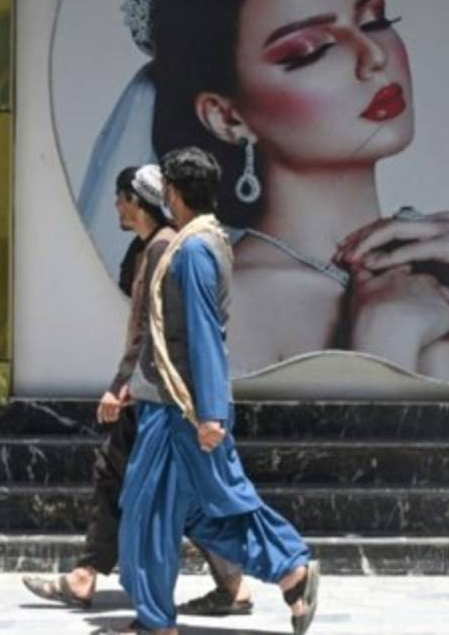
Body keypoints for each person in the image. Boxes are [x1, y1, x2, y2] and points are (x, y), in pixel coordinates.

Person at [85, 0, 449, 381]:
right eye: (310, 50)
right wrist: (384, 339)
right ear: (227, 118)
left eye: (375, 20)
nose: (373, 56)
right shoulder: (223, 302)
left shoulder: (448, 266)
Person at [23, 166, 252, 616]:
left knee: (131, 480)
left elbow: (155, 330)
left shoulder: (167, 248)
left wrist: (121, 386)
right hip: (155, 389)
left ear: (136, 199)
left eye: (120, 197)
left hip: (159, 393)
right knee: (159, 487)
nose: (115, 206)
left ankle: (268, 573)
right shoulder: (149, 247)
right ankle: (230, 583)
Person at [115, 147, 319, 635]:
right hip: (176, 402)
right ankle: (290, 572)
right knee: (186, 510)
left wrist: (209, 413)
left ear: (172, 192)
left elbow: (204, 332)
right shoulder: (205, 240)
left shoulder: (193, 250)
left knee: (158, 508)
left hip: (181, 409)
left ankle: (286, 566)